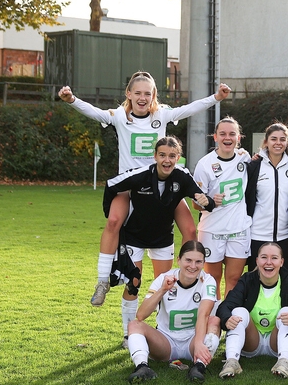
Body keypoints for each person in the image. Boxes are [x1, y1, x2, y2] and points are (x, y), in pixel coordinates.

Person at [59, 73, 230, 306]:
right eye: (137, 93)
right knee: (113, 222)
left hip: (164, 183)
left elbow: (190, 108)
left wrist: (216, 98)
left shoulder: (161, 114)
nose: (142, 97)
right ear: (128, 94)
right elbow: (95, 112)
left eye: (147, 93)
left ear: (154, 96)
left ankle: (191, 275)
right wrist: (72, 100)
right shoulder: (119, 116)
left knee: (190, 230)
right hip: (130, 186)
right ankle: (102, 280)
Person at [103, 136, 214, 345]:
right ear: (155, 156)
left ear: (178, 158)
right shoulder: (142, 175)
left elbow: (201, 199)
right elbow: (111, 185)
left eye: (172, 156)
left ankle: (160, 329)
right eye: (162, 155)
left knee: (165, 284)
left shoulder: (182, 176)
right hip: (135, 236)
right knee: (133, 283)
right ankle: (129, 333)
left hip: (162, 239)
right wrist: (108, 211)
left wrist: (206, 201)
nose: (167, 160)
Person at [125, 241, 221, 384]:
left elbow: (204, 314)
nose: (193, 266)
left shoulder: (208, 281)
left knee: (215, 321)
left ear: (203, 263)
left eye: (198, 262)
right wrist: (163, 290)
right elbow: (141, 315)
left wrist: (200, 343)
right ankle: (142, 367)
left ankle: (199, 367)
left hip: (192, 341)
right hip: (166, 342)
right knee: (134, 324)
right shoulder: (164, 278)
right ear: (179, 260)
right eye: (188, 260)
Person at [216, 242, 288, 379]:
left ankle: (283, 362)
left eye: (274, 258)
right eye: (264, 257)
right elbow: (225, 306)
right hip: (252, 341)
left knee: (287, 311)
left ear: (281, 262)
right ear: (257, 261)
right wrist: (226, 319)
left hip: (278, 342)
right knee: (239, 312)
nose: (268, 262)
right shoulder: (247, 280)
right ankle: (232, 361)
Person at [192, 117, 251, 298]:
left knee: (234, 278)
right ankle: (213, 322)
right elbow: (195, 204)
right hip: (212, 230)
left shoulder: (244, 157)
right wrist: (210, 201)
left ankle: (228, 320)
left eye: (232, 134)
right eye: (223, 134)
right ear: (215, 137)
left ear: (238, 138)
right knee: (212, 278)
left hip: (239, 229)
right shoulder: (204, 164)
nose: (228, 138)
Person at [245, 122, 288, 271]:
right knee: (257, 279)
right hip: (258, 234)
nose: (278, 143)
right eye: (274, 139)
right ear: (266, 141)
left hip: (285, 235)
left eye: (282, 139)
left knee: (285, 280)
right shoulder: (254, 166)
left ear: (287, 142)